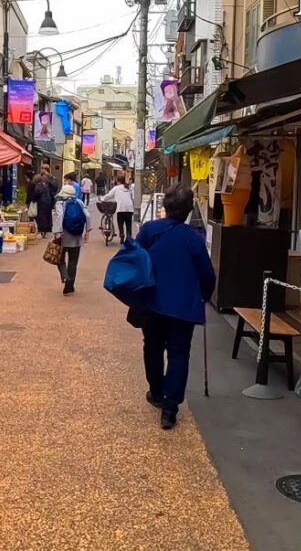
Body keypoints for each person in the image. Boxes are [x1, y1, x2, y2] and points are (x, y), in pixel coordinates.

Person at [135, 183, 216, 430]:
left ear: (165, 206)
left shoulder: (149, 231)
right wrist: (204, 295)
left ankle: (157, 392)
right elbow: (207, 275)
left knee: (152, 346)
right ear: (189, 209)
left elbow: (136, 262)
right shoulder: (194, 238)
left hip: (153, 302)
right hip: (183, 306)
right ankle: (170, 409)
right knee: (179, 353)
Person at [52, 184, 87, 295]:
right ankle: (70, 284)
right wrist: (87, 232)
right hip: (76, 236)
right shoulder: (80, 202)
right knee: (73, 261)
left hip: (64, 235)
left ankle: (65, 277)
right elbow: (88, 216)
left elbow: (60, 217)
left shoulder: (60, 203)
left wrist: (57, 232)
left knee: (60, 259)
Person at [101, 176, 135, 242]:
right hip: (129, 208)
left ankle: (121, 234)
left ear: (118, 181)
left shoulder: (116, 188)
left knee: (120, 223)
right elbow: (132, 198)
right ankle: (129, 237)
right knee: (128, 224)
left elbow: (109, 196)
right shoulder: (128, 188)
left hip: (120, 208)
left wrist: (102, 199)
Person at [28, 173, 54, 237]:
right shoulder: (45, 184)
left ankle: (42, 231)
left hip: (41, 203)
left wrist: (33, 200)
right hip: (48, 202)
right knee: (47, 216)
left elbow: (37, 193)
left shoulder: (38, 185)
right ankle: (46, 230)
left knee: (41, 217)